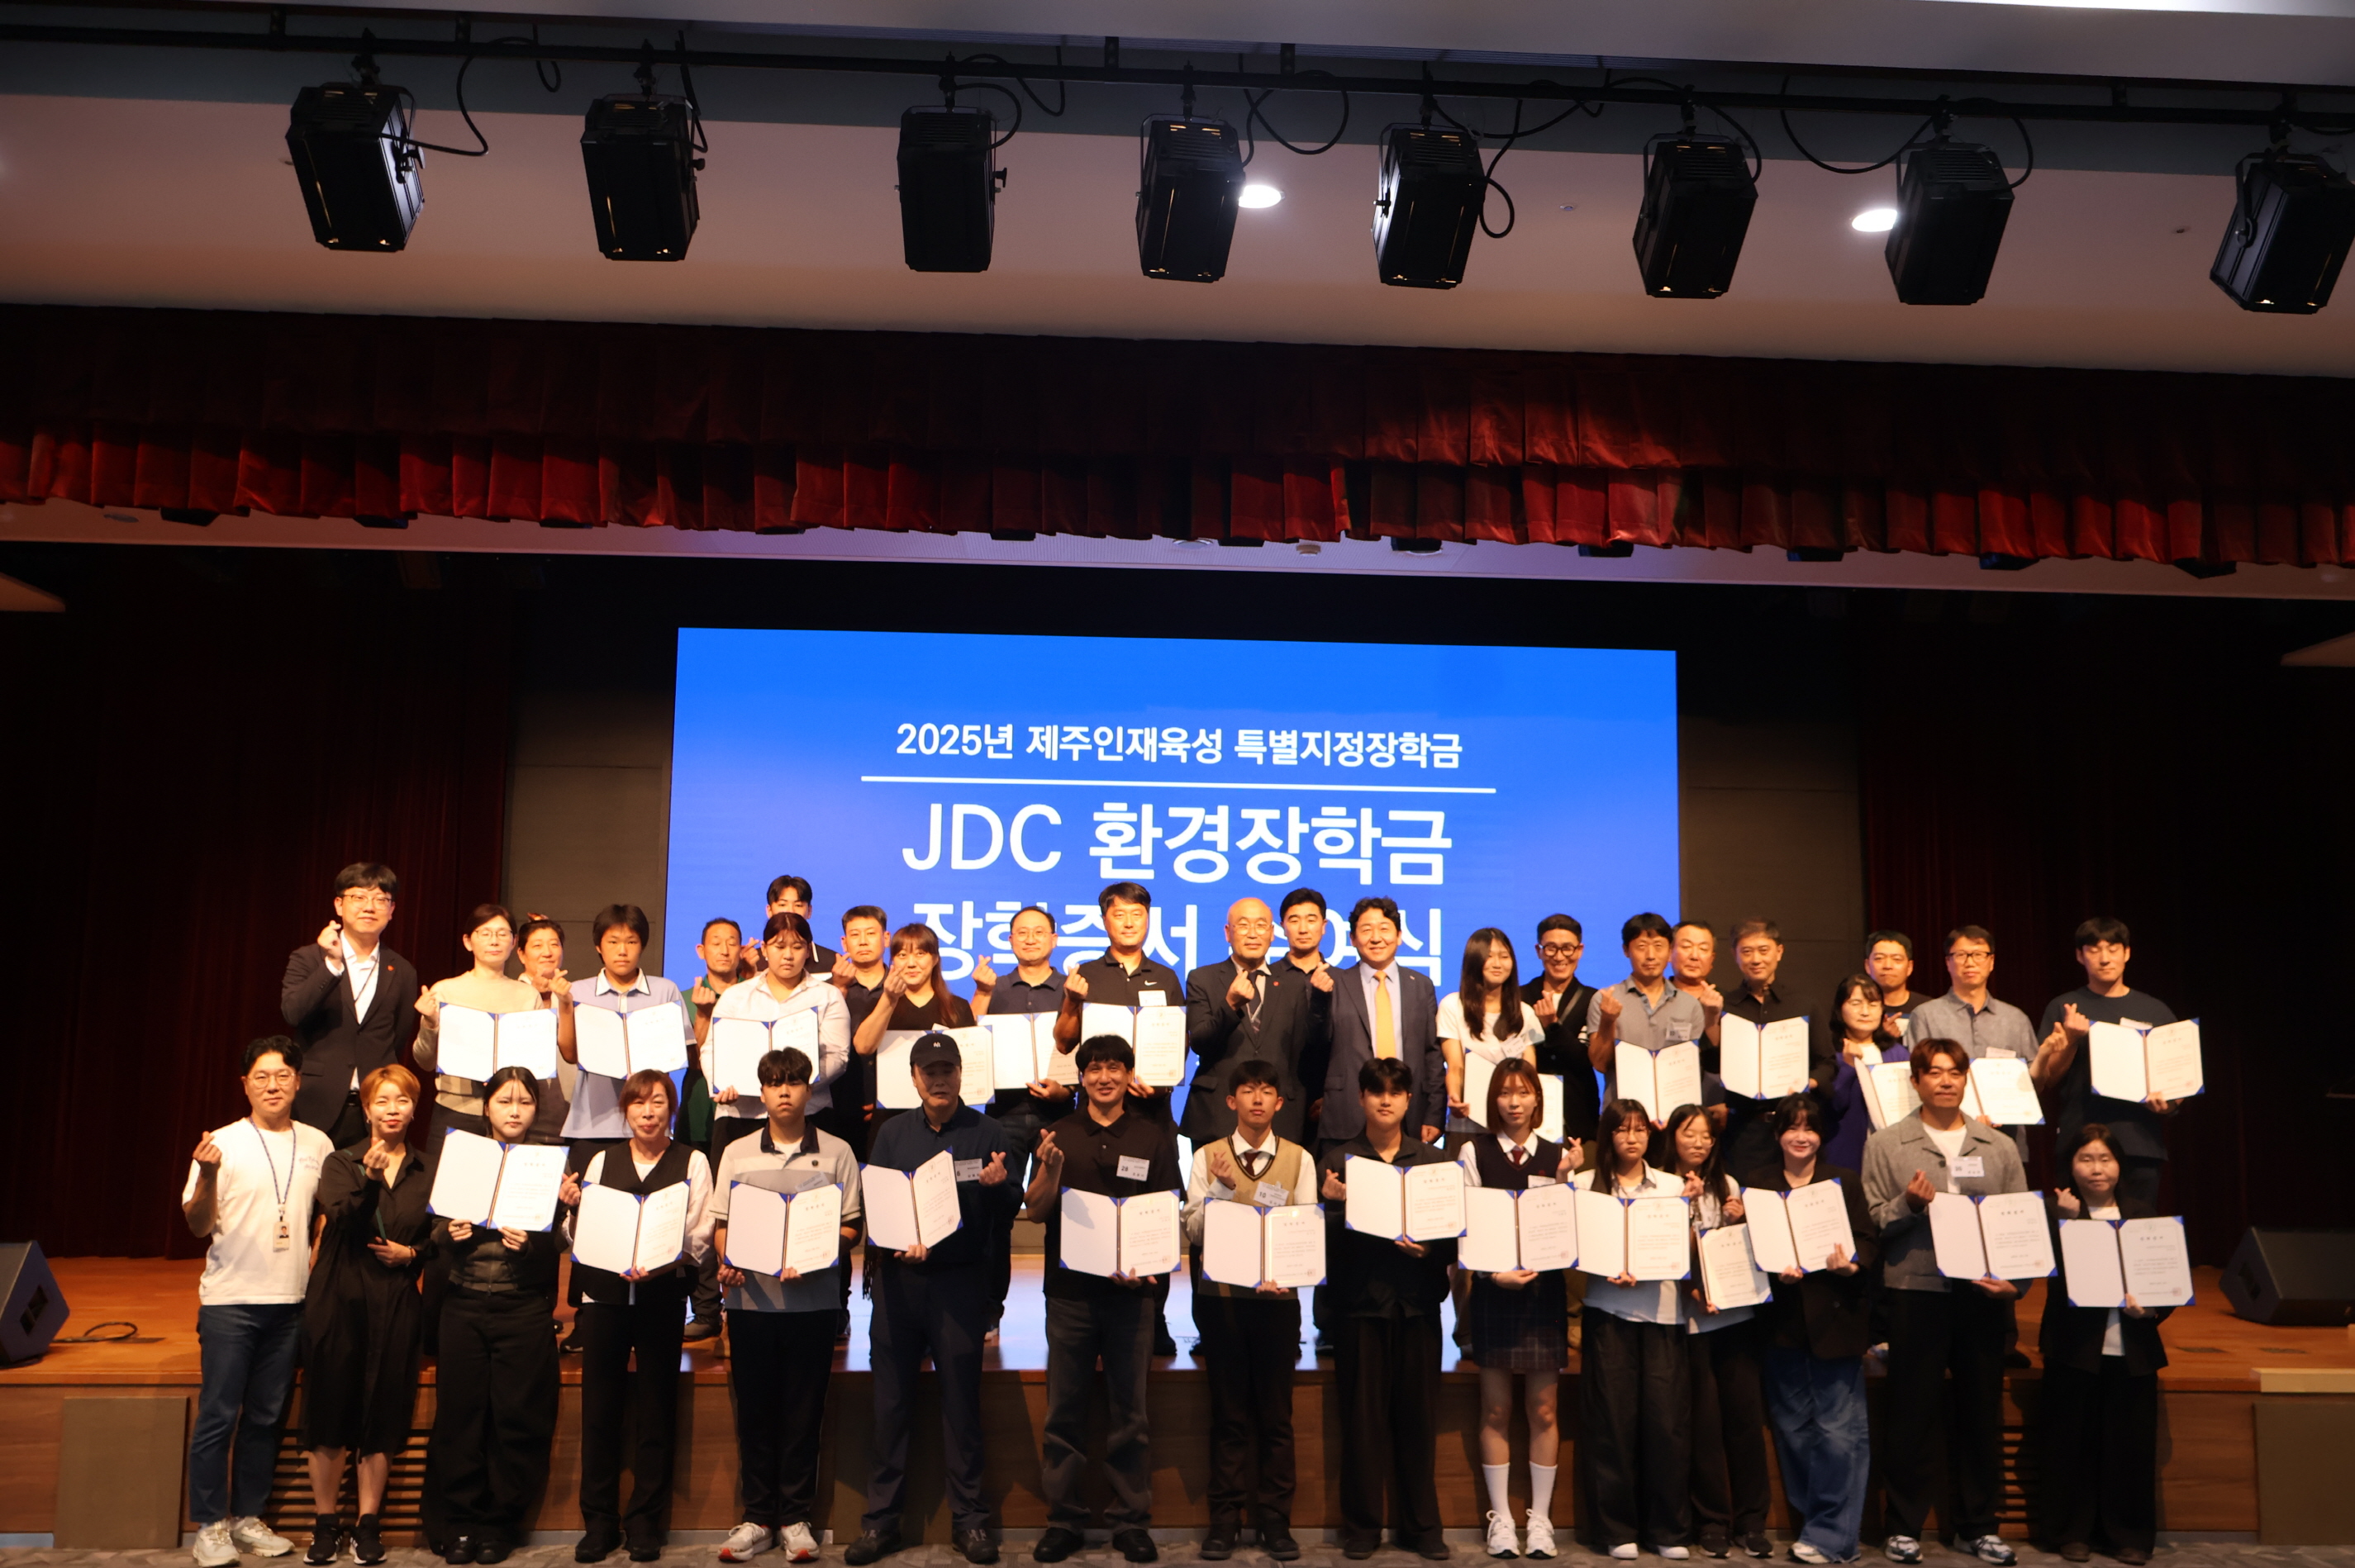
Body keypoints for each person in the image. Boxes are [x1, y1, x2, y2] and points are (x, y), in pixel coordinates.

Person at [851, 1033, 1018, 1567]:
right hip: (899, 1286)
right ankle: (880, 1524)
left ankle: (971, 1522)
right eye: (930, 1071)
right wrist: (899, 1241)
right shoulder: (892, 1133)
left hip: (959, 1285)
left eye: (948, 1070)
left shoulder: (989, 1132)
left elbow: (1009, 1212)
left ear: (961, 1074)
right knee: (890, 1406)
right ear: (915, 1078)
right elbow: (877, 1205)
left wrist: (997, 1186)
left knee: (961, 1406)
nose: (939, 1079)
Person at [1861, 1041, 2028, 1568]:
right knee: (1911, 1412)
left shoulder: (1998, 1146)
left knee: (1980, 1411)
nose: (1946, 1081)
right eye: (1934, 1073)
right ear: (1915, 1081)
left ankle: (1979, 1527)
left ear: (1966, 1079)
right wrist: (1908, 1204)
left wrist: (2018, 1284)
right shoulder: (1887, 1144)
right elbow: (1873, 1219)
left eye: (1955, 1072)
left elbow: (2020, 1223)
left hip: (1981, 1294)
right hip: (1916, 1290)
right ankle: (1903, 1527)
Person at [1025, 1033, 1184, 1565]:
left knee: (1130, 1414)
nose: (1105, 1077)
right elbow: (1036, 1211)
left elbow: (1165, 1213)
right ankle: (1064, 1520)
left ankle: (1130, 1520)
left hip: (1131, 1298)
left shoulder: (1152, 1136)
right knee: (1063, 1411)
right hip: (1069, 1295)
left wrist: (1148, 1272)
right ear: (1082, 1078)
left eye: (1115, 1068)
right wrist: (1049, 1169)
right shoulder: (1058, 1134)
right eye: (1094, 1068)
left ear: (1129, 1076)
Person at [183, 1037, 334, 1568]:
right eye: (262, 1077)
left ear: (298, 1082)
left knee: (266, 1419)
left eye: (283, 1075)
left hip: (290, 1303)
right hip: (231, 1303)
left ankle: (246, 1519)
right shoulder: (220, 1144)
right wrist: (206, 1174)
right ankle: (209, 1526)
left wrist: (316, 1253)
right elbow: (197, 1224)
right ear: (245, 1085)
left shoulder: (317, 1143)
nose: (273, 1085)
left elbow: (326, 1211)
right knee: (219, 1417)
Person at [711, 1048, 864, 1566]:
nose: (784, 1091)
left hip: (813, 1305)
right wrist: (730, 1260)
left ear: (808, 1089)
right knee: (754, 1415)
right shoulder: (736, 1153)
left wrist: (817, 1254)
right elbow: (722, 1225)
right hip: (751, 1304)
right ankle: (757, 1517)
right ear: (761, 1092)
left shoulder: (838, 1152)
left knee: (803, 1414)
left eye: (794, 1082)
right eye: (774, 1083)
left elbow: (851, 1226)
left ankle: (796, 1519)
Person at [558, 1070, 715, 1563]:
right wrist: (573, 1210)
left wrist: (663, 1258)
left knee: (656, 1409)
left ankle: (645, 1522)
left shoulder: (692, 1161)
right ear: (624, 1110)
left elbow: (701, 1234)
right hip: (603, 1299)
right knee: (599, 1411)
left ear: (672, 1108)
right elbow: (577, 1236)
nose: (649, 1112)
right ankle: (598, 1523)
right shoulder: (602, 1160)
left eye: (658, 1102)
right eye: (639, 1103)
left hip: (661, 1296)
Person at [1317, 1057, 1457, 1562]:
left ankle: (1422, 1527)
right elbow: (1318, 1251)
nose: (1385, 1101)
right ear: (1361, 1098)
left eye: (1396, 1093)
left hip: (1417, 1307)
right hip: (1360, 1309)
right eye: (1376, 1092)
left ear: (1408, 1100)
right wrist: (1333, 1207)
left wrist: (1429, 1250)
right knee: (1362, 1423)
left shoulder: (1433, 1162)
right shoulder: (1338, 1160)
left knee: (1418, 1421)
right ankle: (1361, 1528)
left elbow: (1453, 1240)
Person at [300, 1065, 435, 1568]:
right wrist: (372, 1181)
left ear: (414, 1109)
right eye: (382, 1101)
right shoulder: (342, 1161)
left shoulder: (428, 1169)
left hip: (395, 1298)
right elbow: (345, 1218)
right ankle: (325, 1523)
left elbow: (440, 1236)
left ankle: (368, 1524)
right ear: (367, 1109)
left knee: (384, 1409)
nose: (392, 1109)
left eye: (402, 1100)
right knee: (330, 1407)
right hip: (340, 1295)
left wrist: (413, 1255)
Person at [427, 1067, 562, 1566]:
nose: (514, 1110)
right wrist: (448, 1234)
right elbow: (432, 1229)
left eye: (525, 1102)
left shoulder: (548, 1165)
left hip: (521, 1307)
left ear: (536, 1110)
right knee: (460, 1416)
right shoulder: (463, 1156)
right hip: (463, 1304)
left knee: (516, 1418)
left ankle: (499, 1524)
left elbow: (559, 1243)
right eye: (505, 1101)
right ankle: (459, 1523)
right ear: (486, 1107)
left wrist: (532, 1244)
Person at [1179, 1058, 1312, 1562]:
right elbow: (1193, 1231)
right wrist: (1219, 1188)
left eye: (1267, 1091)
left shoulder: (1299, 1158)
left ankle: (1276, 1522)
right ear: (1232, 1101)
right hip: (1222, 1303)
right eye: (1249, 1091)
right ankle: (1225, 1522)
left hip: (1278, 1305)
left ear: (1279, 1102)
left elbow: (1306, 1230)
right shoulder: (1206, 1156)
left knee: (1277, 1418)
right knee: (1229, 1416)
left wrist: (1290, 1273)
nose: (1258, 1099)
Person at [1053, 882, 1187, 1355]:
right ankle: (1089, 1308)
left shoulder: (1166, 976)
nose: (1129, 922)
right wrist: (1072, 1000)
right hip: (1093, 1120)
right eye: (1119, 914)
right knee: (1092, 1206)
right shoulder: (1085, 974)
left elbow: (1177, 1043)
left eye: (1138, 914)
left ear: (1149, 919)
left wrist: (1162, 1082)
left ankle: (1155, 1313)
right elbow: (1064, 1042)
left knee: (1155, 1212)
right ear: (1104, 920)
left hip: (1151, 1117)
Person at [1746, 1095, 1877, 1568]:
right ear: (1777, 1133)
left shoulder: (1843, 1181)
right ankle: (1819, 1527)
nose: (1801, 1137)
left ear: (1822, 1135)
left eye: (1810, 1128)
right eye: (1792, 1127)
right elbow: (1748, 1251)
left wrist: (1849, 1266)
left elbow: (1868, 1242)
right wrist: (1772, 1269)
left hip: (1835, 1323)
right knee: (1794, 1432)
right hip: (1781, 1325)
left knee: (1840, 1435)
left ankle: (1834, 1538)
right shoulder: (1758, 1185)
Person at [1457, 1060, 1577, 1561]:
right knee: (1496, 1409)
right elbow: (1465, 1225)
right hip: (1493, 1291)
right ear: (1493, 1100)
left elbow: (1567, 1232)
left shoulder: (1558, 1155)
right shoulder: (1474, 1151)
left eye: (1523, 1092)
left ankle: (1541, 1520)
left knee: (1544, 1410)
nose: (1514, 1102)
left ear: (1537, 1100)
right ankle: (1502, 1519)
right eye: (1505, 1093)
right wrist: (1492, 1276)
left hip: (1543, 1295)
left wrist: (1567, 1180)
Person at [2038, 1124, 2172, 1566]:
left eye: (2105, 1159)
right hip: (2074, 1348)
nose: (2097, 1169)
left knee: (2129, 1448)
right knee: (2070, 1445)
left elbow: (2166, 1278)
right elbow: (2045, 1271)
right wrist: (2067, 1221)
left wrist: (2150, 1310)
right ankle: (2071, 1532)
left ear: (2119, 1165)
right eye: (2086, 1159)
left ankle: (2128, 1535)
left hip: (2132, 1350)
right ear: (2071, 1166)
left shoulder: (2143, 1215)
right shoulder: (2056, 1213)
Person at [1580, 1096, 1693, 1562]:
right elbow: (1574, 1249)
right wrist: (1603, 1264)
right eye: (1622, 1130)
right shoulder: (1585, 1185)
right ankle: (1616, 1529)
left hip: (1663, 1314)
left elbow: (1684, 1250)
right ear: (1608, 1135)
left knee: (1666, 1425)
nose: (1632, 1138)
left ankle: (1667, 1529)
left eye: (1640, 1129)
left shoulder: (1672, 1186)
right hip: (1608, 1312)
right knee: (1612, 1424)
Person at [1665, 1105, 1770, 1561]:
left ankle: (1752, 1521)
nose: (1699, 1143)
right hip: (1690, 1320)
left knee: (1745, 1422)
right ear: (1672, 1137)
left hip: (1735, 1315)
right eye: (1690, 1133)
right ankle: (1712, 1521)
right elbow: (1661, 1251)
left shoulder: (1728, 1185)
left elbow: (1744, 1251)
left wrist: (1740, 1221)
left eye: (1707, 1136)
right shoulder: (1663, 1187)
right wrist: (1683, 1207)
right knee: (1704, 1426)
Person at [968, 905, 1075, 1338]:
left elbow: (1084, 1049)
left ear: (1054, 939)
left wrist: (1066, 1090)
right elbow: (969, 1041)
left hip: (1059, 1114)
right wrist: (980, 993)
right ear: (1010, 940)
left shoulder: (1072, 989)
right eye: (1021, 933)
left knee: (1060, 1213)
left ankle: (1062, 1308)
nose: (1030, 939)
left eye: (1039, 932)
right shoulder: (993, 987)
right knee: (997, 1213)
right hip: (1003, 1115)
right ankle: (989, 1308)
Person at [2031, 919, 2184, 1209]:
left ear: (2127, 953)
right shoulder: (2065, 1007)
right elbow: (2048, 1079)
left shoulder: (2155, 1010)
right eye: (2094, 950)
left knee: (2137, 1228)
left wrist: (2167, 1105)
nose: (2104, 958)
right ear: (2080, 956)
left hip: (2140, 1143)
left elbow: (2177, 1080)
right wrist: (2072, 1040)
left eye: (2113, 949)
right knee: (2079, 1230)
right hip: (2080, 1143)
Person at [280, 863, 421, 1146]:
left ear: (392, 910)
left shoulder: (403, 970)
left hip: (375, 1107)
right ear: (339, 905)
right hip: (316, 1101)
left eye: (380, 899)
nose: (369, 907)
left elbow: (398, 1037)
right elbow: (292, 1013)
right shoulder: (308, 958)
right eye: (359, 897)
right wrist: (331, 966)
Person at [413, 905, 565, 1147]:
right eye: (485, 933)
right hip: (457, 1109)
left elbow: (536, 1062)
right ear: (468, 942)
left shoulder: (527, 995)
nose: (494, 940)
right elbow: (424, 1061)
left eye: (502, 933)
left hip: (511, 1115)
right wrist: (430, 1023)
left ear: (514, 942)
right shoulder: (445, 991)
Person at [710, 913, 852, 1166]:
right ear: (765, 949)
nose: (788, 955)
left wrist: (796, 1087)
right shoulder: (736, 996)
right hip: (742, 1114)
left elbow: (837, 1056)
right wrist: (720, 1085)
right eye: (779, 946)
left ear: (808, 951)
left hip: (809, 1114)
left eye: (797, 947)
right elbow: (711, 1050)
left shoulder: (828, 996)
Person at [1901, 928, 2056, 1159]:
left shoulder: (2015, 1019)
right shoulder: (1925, 1016)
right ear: (1948, 962)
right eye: (1961, 955)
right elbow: (1918, 1078)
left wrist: (2044, 1055)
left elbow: (2034, 1085)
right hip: (1941, 1140)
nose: (1970, 962)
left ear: (1991, 962)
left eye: (1978, 954)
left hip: (2006, 1140)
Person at [1184, 896, 1327, 1145]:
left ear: (1272, 933)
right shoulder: (1203, 978)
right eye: (1243, 925)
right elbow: (1200, 1042)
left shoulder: (1293, 984)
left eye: (1261, 926)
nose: (1253, 934)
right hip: (1217, 1113)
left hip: (1280, 1117)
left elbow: (1305, 1051)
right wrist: (1230, 1005)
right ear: (1228, 933)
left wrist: (1321, 1002)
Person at [1320, 896, 1444, 1148]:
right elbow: (1317, 1045)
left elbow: (1432, 1055)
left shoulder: (1421, 986)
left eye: (1384, 929)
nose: (1376, 938)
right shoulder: (1335, 983)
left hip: (1410, 1117)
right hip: (1347, 1115)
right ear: (1353, 939)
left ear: (1399, 936)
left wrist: (1434, 1113)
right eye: (1366, 930)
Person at [1715, 920, 1831, 1175]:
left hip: (1796, 1128)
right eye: (1747, 951)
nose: (1756, 959)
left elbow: (1827, 1063)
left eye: (1763, 950)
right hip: (1744, 1131)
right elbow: (1713, 1063)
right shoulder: (1726, 1008)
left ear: (1779, 952)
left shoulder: (1803, 1005)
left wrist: (1808, 1082)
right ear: (1734, 955)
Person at [1589, 914, 1718, 1121]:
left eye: (1659, 946)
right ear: (1626, 950)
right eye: (1641, 947)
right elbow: (1600, 1064)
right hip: (1623, 1120)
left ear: (1670, 951)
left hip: (1676, 1119)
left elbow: (1692, 1070)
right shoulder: (1606, 999)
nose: (1650, 955)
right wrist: (1608, 1020)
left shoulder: (1690, 1005)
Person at [1440, 927, 1545, 1147]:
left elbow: (1530, 1073)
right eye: (1489, 957)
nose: (1498, 964)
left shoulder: (1525, 1013)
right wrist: (1454, 1097)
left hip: (1513, 1127)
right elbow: (1455, 1066)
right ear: (1474, 960)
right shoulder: (1453, 1006)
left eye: (1504, 957)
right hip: (1468, 1123)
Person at [1521, 915, 1600, 1142]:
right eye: (1551, 948)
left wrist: (1552, 1027)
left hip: (1578, 1111)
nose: (1559, 957)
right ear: (1539, 951)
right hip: (1527, 1111)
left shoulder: (1593, 999)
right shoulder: (1519, 997)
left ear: (1580, 950)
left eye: (1567, 948)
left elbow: (1586, 1059)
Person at [1821, 975, 1905, 1176]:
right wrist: (1848, 1067)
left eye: (1873, 1004)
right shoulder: (1827, 1054)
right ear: (1840, 1009)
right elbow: (1832, 1107)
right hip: (1843, 1154)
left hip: (1892, 1155)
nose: (1865, 1012)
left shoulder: (1898, 1054)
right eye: (1856, 1003)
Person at [827, 905, 892, 1161]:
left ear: (886, 938)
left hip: (893, 1109)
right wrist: (838, 990)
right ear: (844, 942)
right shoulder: (828, 992)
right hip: (837, 1108)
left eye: (871, 933)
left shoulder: (903, 987)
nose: (863, 941)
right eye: (855, 935)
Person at [512, 915, 575, 1143]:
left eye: (554, 944)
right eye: (537, 945)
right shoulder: (511, 995)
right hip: (522, 1113)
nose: (547, 952)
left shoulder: (572, 996)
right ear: (521, 954)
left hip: (569, 1117)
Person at [1863, 933, 1930, 1046]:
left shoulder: (1927, 1008)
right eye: (1879, 958)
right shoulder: (1859, 1009)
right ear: (1867, 966)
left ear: (1909, 967)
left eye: (1897, 959)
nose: (1888, 966)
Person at [766, 877, 840, 976]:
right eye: (783, 905)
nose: (791, 911)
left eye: (798, 905)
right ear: (769, 911)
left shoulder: (832, 962)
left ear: (809, 911)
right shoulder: (754, 962)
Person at [1670, 922, 1720, 1011]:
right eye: (1686, 946)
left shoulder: (1727, 1004)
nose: (1694, 956)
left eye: (1703, 949)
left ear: (1712, 959)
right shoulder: (1655, 998)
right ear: (1670, 953)